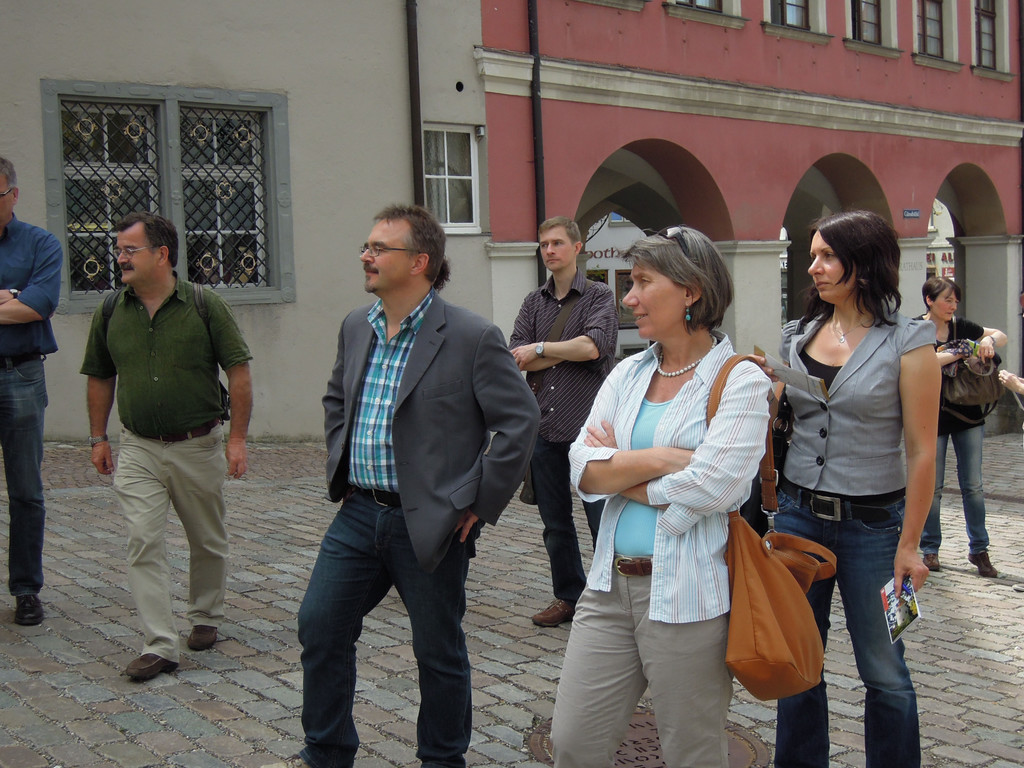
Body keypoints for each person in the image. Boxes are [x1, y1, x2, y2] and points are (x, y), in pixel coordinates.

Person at [288, 204, 538, 768]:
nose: (366, 256)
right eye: (367, 246)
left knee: (437, 652)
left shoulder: (472, 335)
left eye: (380, 249)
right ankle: (326, 753)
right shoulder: (358, 325)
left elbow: (519, 422)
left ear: (420, 262)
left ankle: (442, 760)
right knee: (320, 627)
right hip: (357, 514)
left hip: (428, 523)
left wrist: (475, 498)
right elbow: (337, 397)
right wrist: (340, 458)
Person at [550, 229, 769, 768]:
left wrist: (618, 470)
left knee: (692, 754)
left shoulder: (738, 379)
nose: (629, 296)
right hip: (605, 590)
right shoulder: (628, 372)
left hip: (687, 597)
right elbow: (581, 469)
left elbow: (716, 486)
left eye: (644, 282)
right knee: (574, 743)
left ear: (691, 291)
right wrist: (669, 458)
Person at [769, 210, 939, 768]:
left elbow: (921, 452)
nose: (812, 267)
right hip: (797, 516)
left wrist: (910, 545)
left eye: (825, 257)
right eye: (812, 254)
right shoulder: (801, 333)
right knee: (798, 660)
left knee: (886, 669)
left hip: (878, 527)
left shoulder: (910, 339)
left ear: (862, 264)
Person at [81, 211, 253, 681]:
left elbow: (238, 372)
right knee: (142, 539)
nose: (120, 258)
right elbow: (100, 374)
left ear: (162, 254)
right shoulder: (112, 309)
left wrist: (236, 438)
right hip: (137, 447)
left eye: (129, 250)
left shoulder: (205, 304)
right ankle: (159, 643)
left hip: (198, 445)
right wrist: (98, 436)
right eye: (118, 250)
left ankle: (205, 615)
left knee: (207, 539)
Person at [509, 216, 618, 627]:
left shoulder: (599, 296)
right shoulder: (532, 302)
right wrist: (556, 350)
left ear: (577, 246)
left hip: (588, 429)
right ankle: (569, 596)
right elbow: (514, 353)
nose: (549, 250)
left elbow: (593, 347)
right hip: (544, 429)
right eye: (544, 244)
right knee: (555, 524)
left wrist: (540, 348)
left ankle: (609, 600)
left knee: (602, 518)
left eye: (557, 243)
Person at [0, 156, 62, 626]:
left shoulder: (40, 243)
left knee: (26, 490)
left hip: (20, 373)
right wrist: (9, 297)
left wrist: (24, 301)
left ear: (13, 195)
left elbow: (39, 305)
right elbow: (22, 303)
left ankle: (25, 589)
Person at [918, 276, 1006, 578]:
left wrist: (987, 341)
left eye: (955, 300)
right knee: (934, 487)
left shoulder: (962, 328)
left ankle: (979, 549)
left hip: (969, 416)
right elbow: (919, 363)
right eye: (947, 300)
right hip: (933, 417)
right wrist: (957, 352)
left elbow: (999, 335)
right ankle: (930, 549)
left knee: (974, 486)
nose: (953, 305)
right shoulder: (917, 329)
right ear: (930, 301)